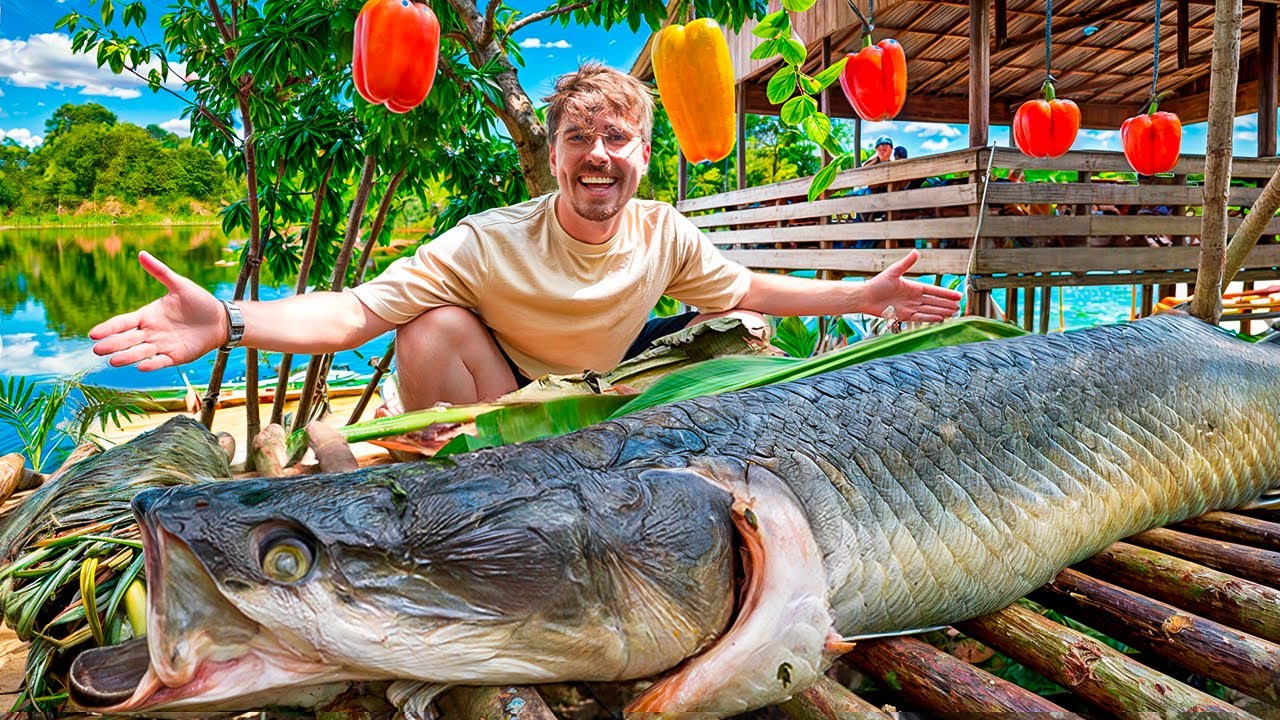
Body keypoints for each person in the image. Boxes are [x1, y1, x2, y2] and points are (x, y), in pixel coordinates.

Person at [89, 63, 961, 413]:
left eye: (617, 139)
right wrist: (227, 324)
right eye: (579, 139)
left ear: (643, 158)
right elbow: (352, 314)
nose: (598, 157)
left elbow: (751, 293)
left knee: (743, 356)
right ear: (553, 156)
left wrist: (864, 294)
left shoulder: (664, 232)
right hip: (493, 402)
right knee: (425, 324)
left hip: (596, 398)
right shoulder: (486, 239)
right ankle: (445, 494)